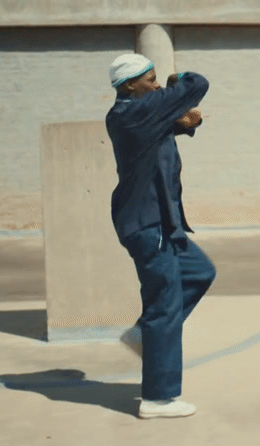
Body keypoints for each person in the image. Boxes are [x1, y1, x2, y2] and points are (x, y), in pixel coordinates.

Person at [106, 53, 215, 417]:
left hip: (163, 221)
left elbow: (170, 126)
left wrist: (187, 120)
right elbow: (196, 82)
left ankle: (145, 334)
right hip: (146, 223)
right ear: (129, 85)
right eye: (149, 80)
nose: (155, 85)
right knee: (164, 306)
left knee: (200, 272)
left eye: (156, 79)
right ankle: (158, 398)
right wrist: (176, 79)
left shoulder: (139, 114)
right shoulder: (130, 112)